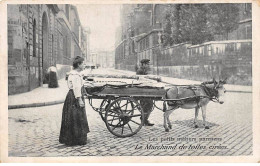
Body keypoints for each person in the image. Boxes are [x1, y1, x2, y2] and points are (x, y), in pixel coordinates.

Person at [59, 56, 90, 146]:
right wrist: (80, 99)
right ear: (78, 64)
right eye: (83, 63)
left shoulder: (76, 74)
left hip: (72, 97)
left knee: (74, 117)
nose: (84, 65)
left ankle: (74, 138)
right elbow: (76, 88)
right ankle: (76, 139)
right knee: (77, 117)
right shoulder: (75, 75)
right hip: (75, 98)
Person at [136, 59, 154, 126]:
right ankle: (144, 120)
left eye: (148, 64)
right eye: (147, 64)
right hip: (142, 91)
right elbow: (142, 81)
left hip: (144, 90)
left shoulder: (143, 70)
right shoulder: (140, 71)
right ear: (143, 64)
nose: (148, 65)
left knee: (147, 105)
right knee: (149, 104)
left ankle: (144, 119)